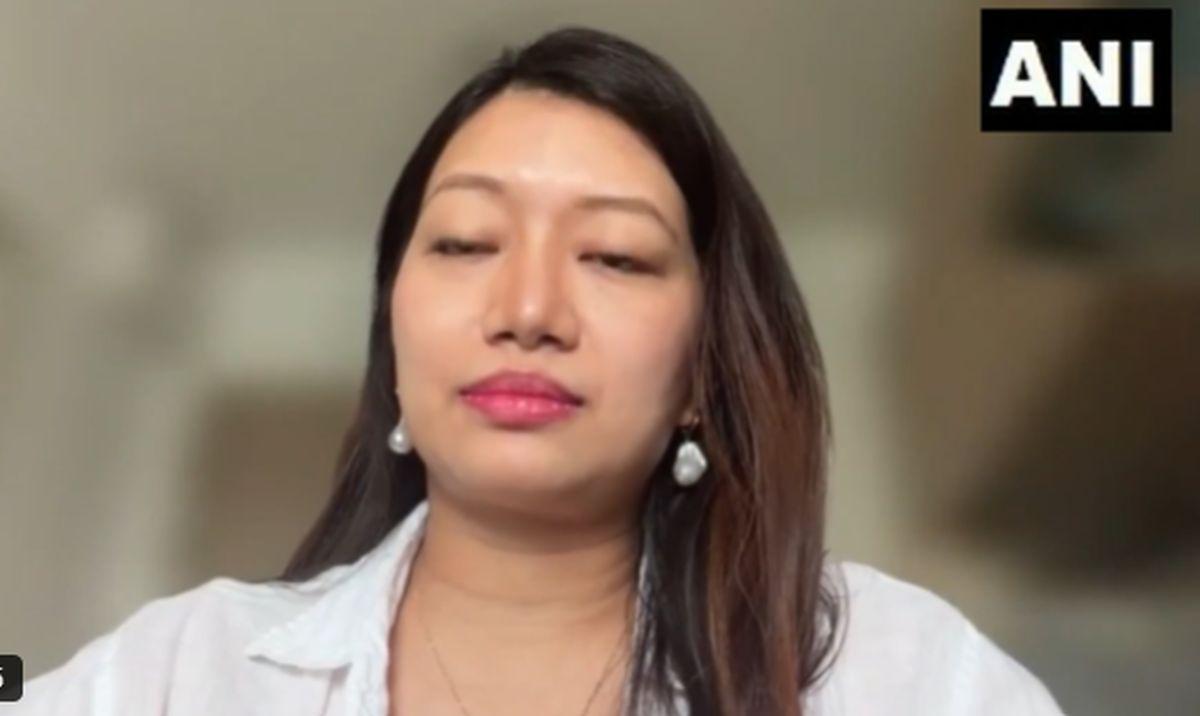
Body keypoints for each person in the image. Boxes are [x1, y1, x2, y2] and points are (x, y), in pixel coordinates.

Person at [14, 26, 1065, 716]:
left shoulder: (898, 673)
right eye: (467, 242)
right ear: (394, 336)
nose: (527, 312)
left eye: (614, 256)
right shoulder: (180, 671)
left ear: (701, 374)